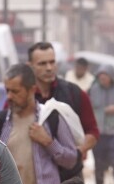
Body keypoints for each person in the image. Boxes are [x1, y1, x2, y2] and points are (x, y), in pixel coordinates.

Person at [27, 42, 99, 172]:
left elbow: (93, 132)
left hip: (70, 175)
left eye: (52, 62)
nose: (49, 68)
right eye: (42, 64)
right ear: (30, 66)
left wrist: (77, 152)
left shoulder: (74, 93)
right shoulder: (23, 97)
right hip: (34, 174)